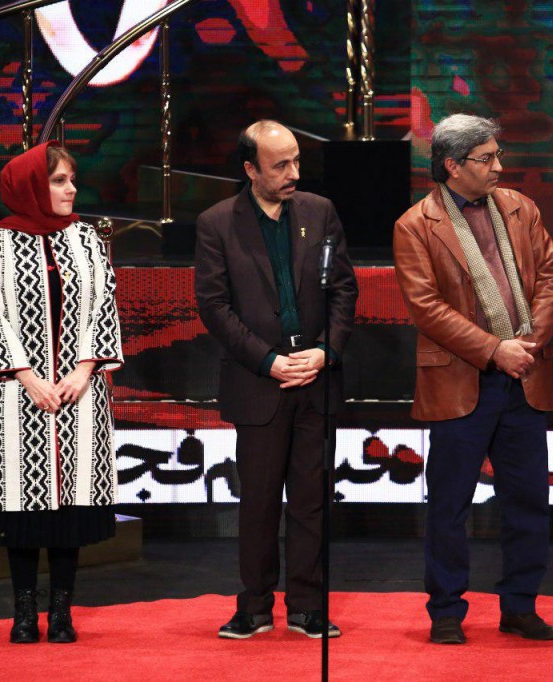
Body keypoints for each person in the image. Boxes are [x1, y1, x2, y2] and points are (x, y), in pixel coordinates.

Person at [393, 114, 553, 645]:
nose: (498, 167)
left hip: (524, 377)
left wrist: (525, 346)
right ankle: (446, 610)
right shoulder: (415, 225)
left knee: (529, 502)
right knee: (449, 506)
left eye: (497, 155)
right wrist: (495, 350)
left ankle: (520, 606)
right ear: (452, 165)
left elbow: (551, 278)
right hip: (461, 380)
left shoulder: (520, 208)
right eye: (486, 158)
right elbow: (426, 307)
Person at [195, 120, 358, 639]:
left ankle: (308, 606)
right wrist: (267, 360)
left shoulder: (319, 212)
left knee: (312, 501)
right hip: (258, 382)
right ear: (251, 169)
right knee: (259, 502)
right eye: (280, 165)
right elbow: (214, 307)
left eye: (296, 161)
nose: (293, 173)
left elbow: (343, 290)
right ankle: (256, 606)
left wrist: (326, 351)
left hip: (316, 380)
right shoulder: (217, 223)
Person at [0, 141, 124, 644]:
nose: (71, 189)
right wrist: (27, 376)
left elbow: (104, 305)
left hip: (79, 395)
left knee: (69, 515)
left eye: (72, 180)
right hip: (19, 396)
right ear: (33, 186)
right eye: (59, 180)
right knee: (23, 509)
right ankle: (24, 613)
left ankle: (61, 612)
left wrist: (83, 370)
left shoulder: (87, 238)